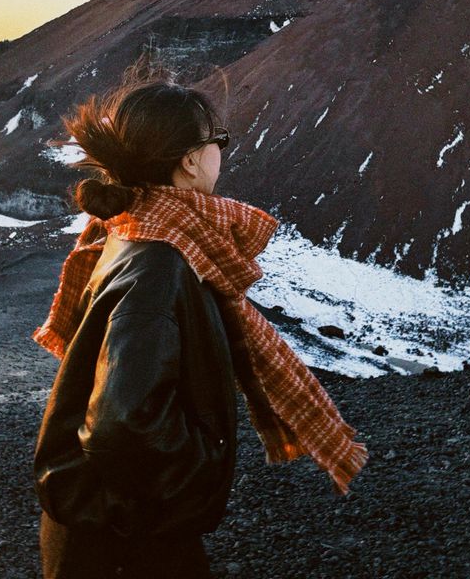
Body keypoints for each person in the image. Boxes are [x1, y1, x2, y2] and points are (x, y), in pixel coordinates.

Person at [32, 77, 368, 579]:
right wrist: (202, 466)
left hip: (104, 525)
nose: (220, 156)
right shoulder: (162, 262)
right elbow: (121, 423)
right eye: (219, 142)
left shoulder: (131, 228)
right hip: (126, 539)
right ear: (190, 160)